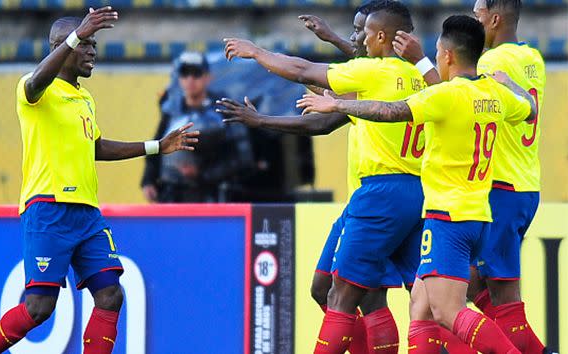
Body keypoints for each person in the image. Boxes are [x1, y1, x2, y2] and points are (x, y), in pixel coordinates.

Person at [296, 14, 537, 354]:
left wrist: (336, 102)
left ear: (449, 56)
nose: (437, 58)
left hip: (447, 217)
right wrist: (506, 82)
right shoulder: (493, 92)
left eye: (438, 53)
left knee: (448, 311)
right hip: (477, 213)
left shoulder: (446, 96)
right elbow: (529, 108)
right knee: (422, 308)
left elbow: (390, 111)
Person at [0, 9, 199, 354]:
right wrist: (75, 35)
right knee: (39, 308)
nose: (92, 51)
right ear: (61, 46)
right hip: (48, 208)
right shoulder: (34, 90)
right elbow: (35, 83)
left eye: (93, 44)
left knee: (110, 294)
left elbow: (95, 146)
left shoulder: (84, 98)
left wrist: (157, 146)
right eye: (86, 45)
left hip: (87, 213)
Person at [221, 2, 427, 352]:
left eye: (362, 31)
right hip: (414, 189)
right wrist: (332, 38)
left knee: (344, 293)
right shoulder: (423, 75)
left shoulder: (371, 73)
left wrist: (255, 52)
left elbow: (303, 71)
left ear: (380, 36)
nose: (356, 38)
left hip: (380, 192)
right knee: (351, 291)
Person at [393, 0, 548, 351]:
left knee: (491, 304)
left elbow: (452, 98)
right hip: (524, 184)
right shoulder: (533, 59)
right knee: (430, 301)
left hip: (493, 190)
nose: (475, 22)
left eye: (478, 16)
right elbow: (524, 108)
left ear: (494, 19)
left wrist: (420, 61)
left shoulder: (489, 62)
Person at [141, 51, 253, 203]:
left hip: (212, 195)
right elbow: (158, 146)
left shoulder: (224, 109)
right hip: (172, 194)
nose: (190, 80)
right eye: (185, 74)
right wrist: (148, 181)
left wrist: (202, 174)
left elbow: (242, 156)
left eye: (196, 74)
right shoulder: (171, 110)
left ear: (208, 77)